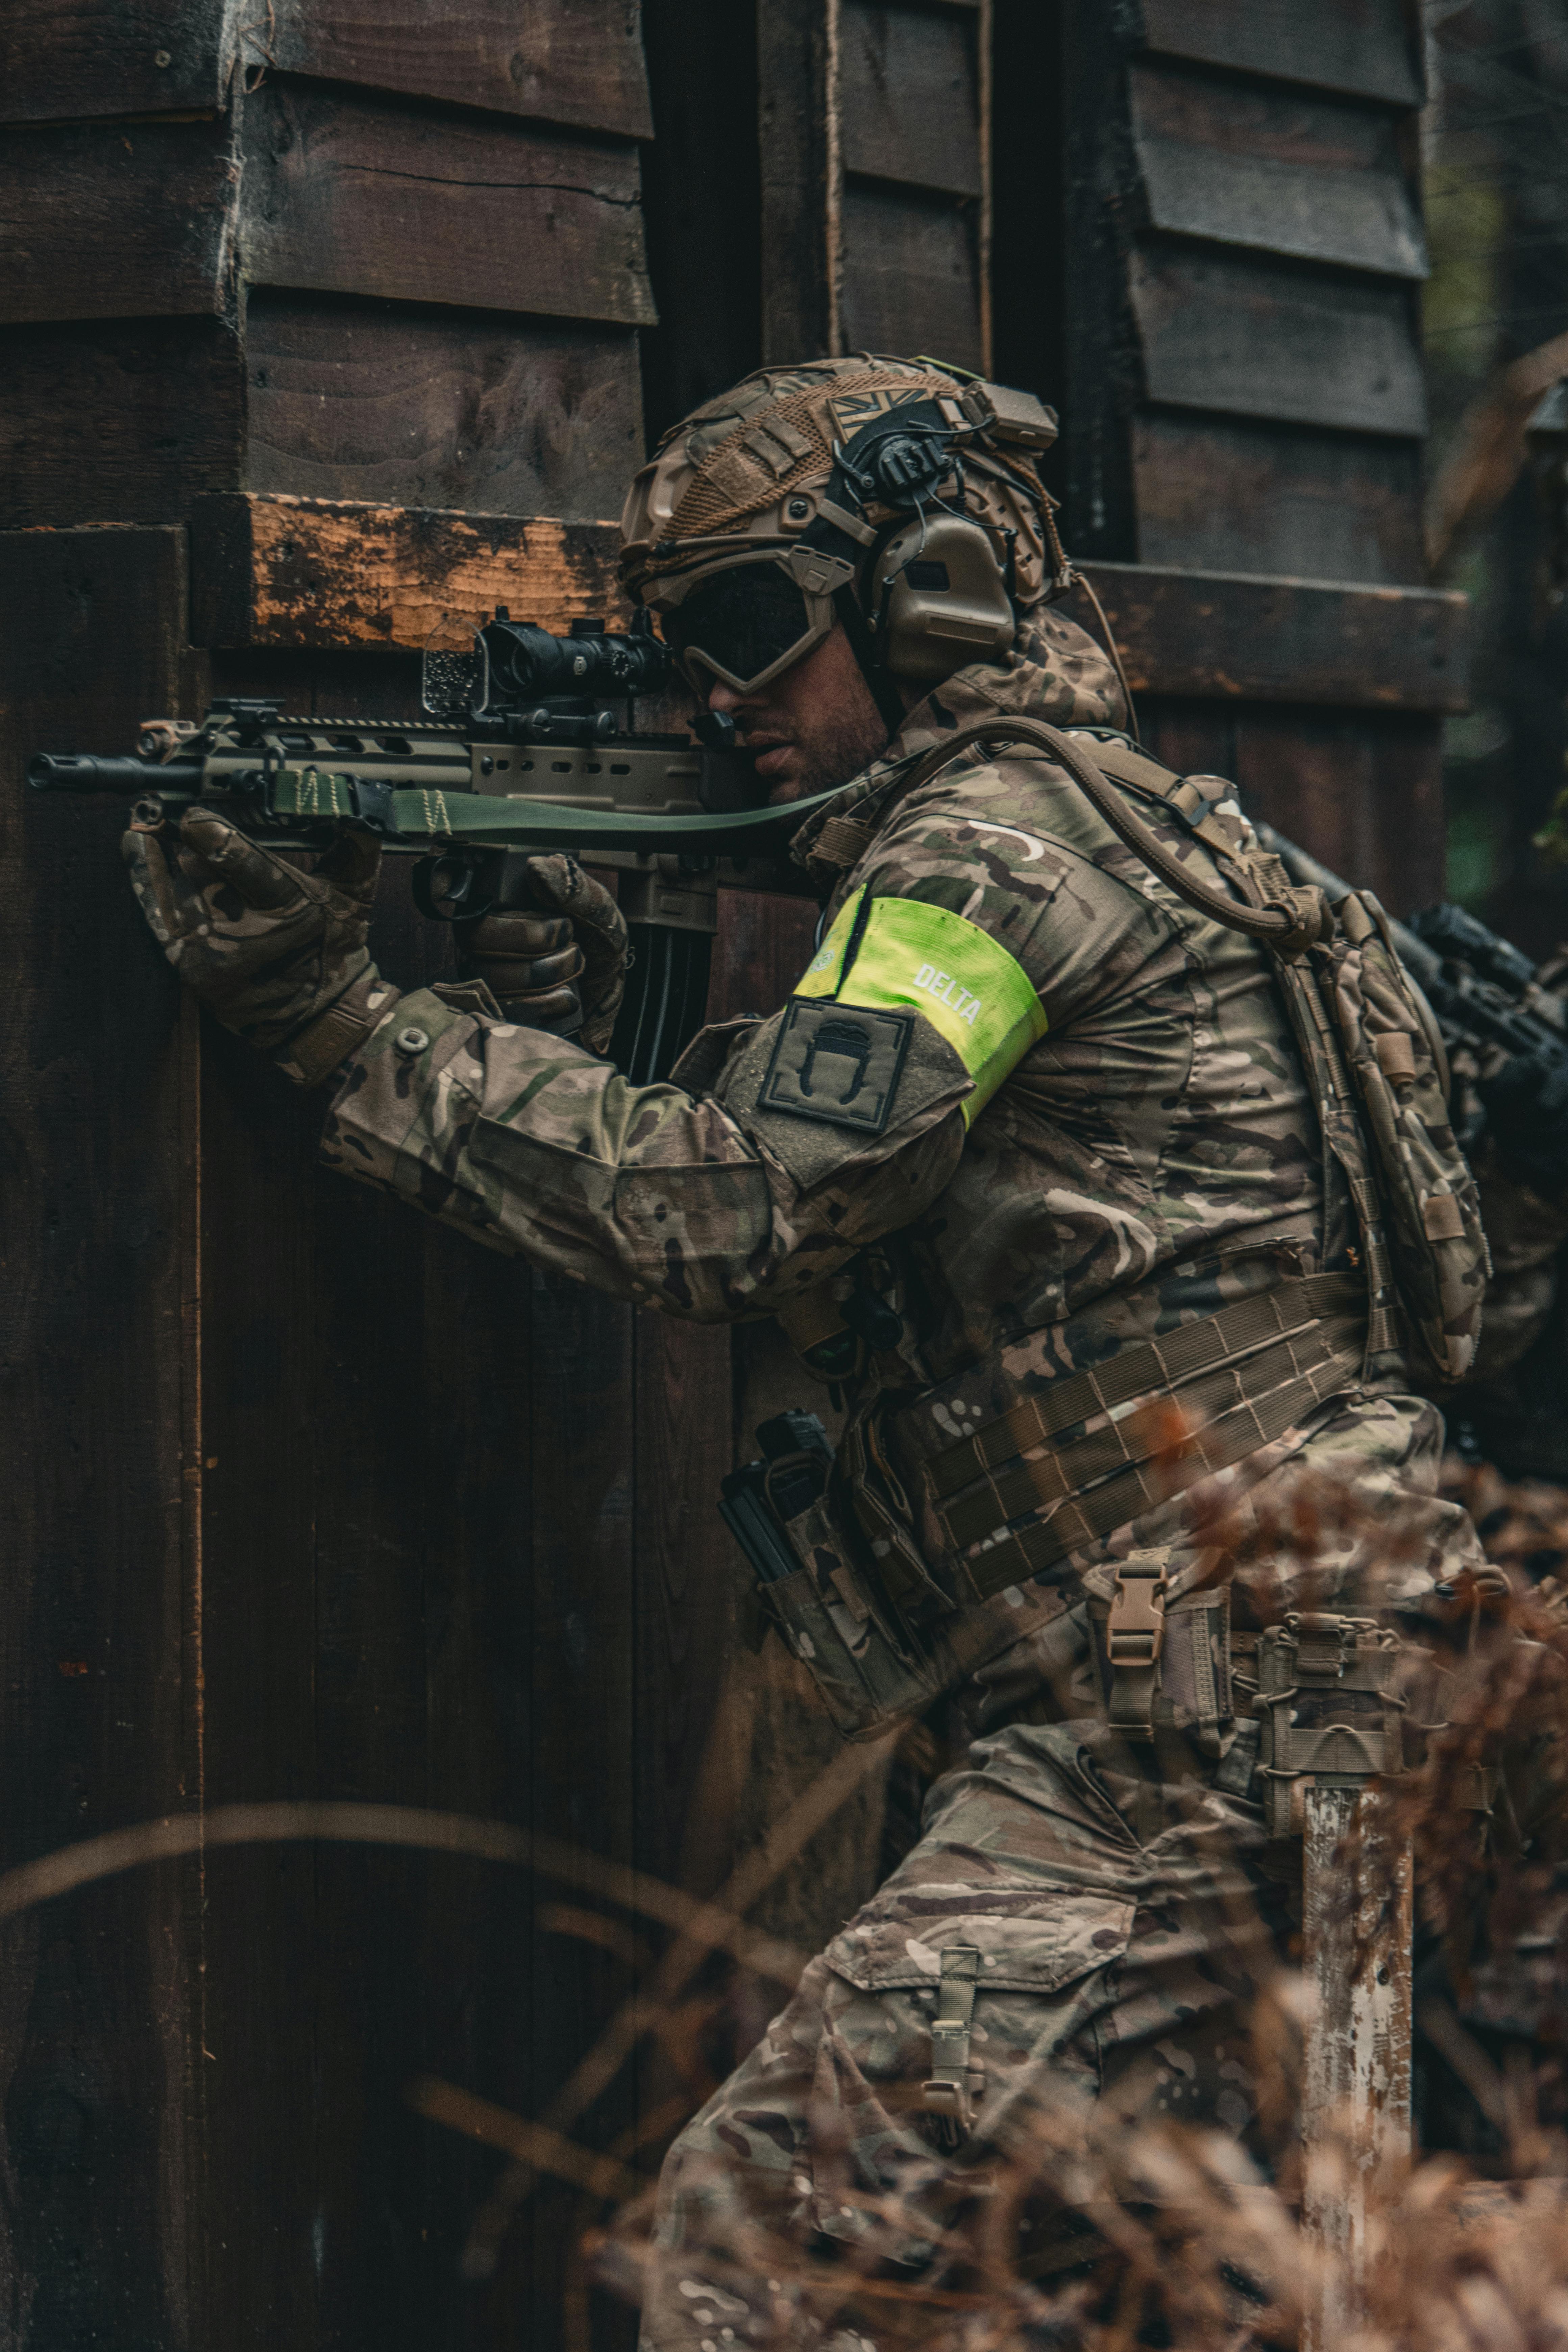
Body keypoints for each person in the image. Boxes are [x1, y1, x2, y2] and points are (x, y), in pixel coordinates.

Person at [124, 357, 1507, 2339]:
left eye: (756, 626)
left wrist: (352, 1030)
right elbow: (958, 1225)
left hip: (1181, 1742)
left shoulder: (988, 859)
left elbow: (741, 1204)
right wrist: (590, 1003)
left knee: (747, 2269)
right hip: (1302, 1697)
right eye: (690, 642)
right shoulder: (1150, 827)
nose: (719, 691)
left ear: (929, 594)